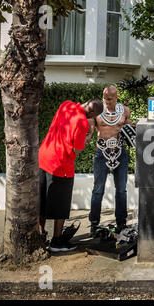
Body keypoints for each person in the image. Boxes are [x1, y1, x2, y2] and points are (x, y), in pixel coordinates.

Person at [39, 99, 104, 252]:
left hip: (43, 157)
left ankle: (40, 235)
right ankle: (57, 241)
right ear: (93, 114)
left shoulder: (65, 105)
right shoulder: (82, 122)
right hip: (60, 165)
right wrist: (88, 138)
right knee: (61, 205)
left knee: (42, 200)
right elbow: (77, 148)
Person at [88, 86, 134, 236]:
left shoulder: (125, 110)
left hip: (120, 152)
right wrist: (86, 136)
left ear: (116, 97)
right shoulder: (97, 111)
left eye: (110, 98)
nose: (106, 101)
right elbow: (90, 130)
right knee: (98, 189)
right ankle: (94, 224)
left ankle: (121, 223)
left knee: (121, 189)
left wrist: (137, 127)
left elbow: (129, 129)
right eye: (105, 97)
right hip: (101, 152)